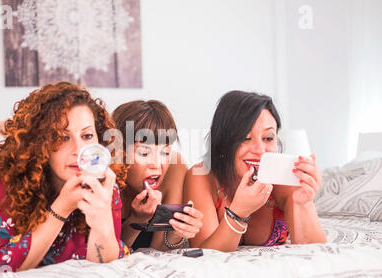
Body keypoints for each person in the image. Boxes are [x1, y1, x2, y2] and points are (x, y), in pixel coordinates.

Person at [0, 82, 129, 278]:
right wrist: (63, 206)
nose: (79, 149)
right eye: (62, 137)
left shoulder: (104, 180)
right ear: (40, 143)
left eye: (87, 136)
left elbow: (104, 261)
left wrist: (101, 220)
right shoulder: (5, 178)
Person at [183, 90, 326, 252]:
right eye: (245, 138)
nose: (260, 150)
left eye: (268, 138)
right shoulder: (202, 176)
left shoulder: (284, 178)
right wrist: (239, 212)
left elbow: (316, 255)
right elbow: (204, 256)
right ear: (223, 142)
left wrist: (303, 203)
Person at [111, 100, 203, 251]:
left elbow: (160, 251)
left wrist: (177, 233)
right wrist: (137, 221)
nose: (157, 164)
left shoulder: (175, 167)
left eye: (165, 152)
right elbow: (105, 253)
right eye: (144, 153)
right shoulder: (104, 178)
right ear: (118, 154)